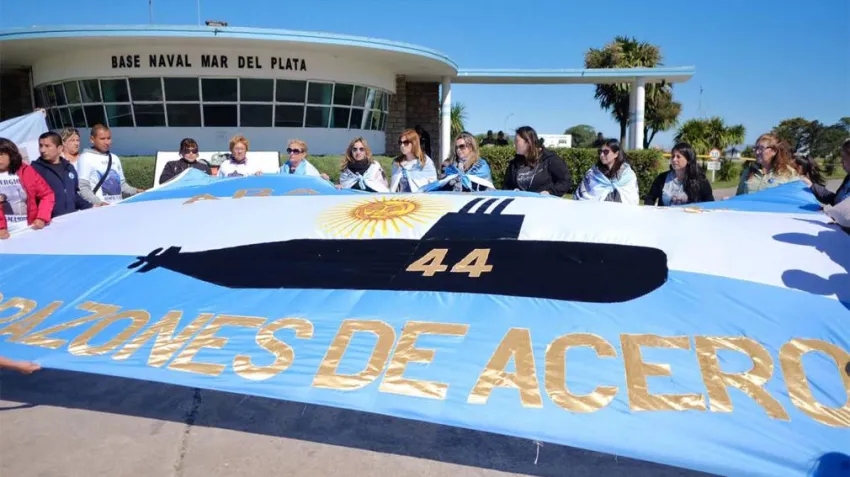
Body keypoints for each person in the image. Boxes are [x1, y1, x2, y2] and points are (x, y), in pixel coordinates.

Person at [0, 138, 55, 239]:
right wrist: (1, 227)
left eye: (2, 154)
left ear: (11, 154)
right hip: (4, 233)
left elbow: (47, 194)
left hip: (30, 227)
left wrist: (41, 217)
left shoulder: (26, 171)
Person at [77, 124, 143, 206]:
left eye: (109, 138)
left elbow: (122, 185)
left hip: (117, 207)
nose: (107, 142)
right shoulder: (85, 158)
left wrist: (136, 191)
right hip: (99, 209)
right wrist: (99, 203)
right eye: (102, 139)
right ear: (92, 139)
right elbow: (83, 188)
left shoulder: (114, 158)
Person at [31, 131, 92, 218]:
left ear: (59, 148)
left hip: (71, 219)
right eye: (41, 146)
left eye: (47, 146)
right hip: (49, 222)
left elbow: (74, 195)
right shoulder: (34, 170)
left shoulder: (69, 168)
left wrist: (90, 206)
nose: (42, 150)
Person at [503, 126, 571, 196]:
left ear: (528, 142)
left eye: (517, 141)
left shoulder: (550, 159)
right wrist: (512, 190)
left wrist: (550, 192)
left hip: (544, 202)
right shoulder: (514, 164)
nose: (514, 145)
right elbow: (506, 186)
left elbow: (565, 181)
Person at [644, 142, 714, 206]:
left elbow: (710, 202)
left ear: (688, 160)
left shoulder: (700, 180)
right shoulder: (661, 178)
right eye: (673, 156)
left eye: (678, 157)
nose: (674, 159)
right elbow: (650, 198)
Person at [574, 138, 639, 204]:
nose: (601, 155)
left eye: (606, 152)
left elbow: (633, 199)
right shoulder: (592, 174)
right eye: (600, 152)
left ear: (616, 154)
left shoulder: (628, 175)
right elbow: (582, 196)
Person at [804, 138, 850, 207]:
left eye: (844, 157)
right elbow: (835, 200)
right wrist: (812, 186)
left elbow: (843, 209)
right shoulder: (848, 178)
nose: (841, 161)